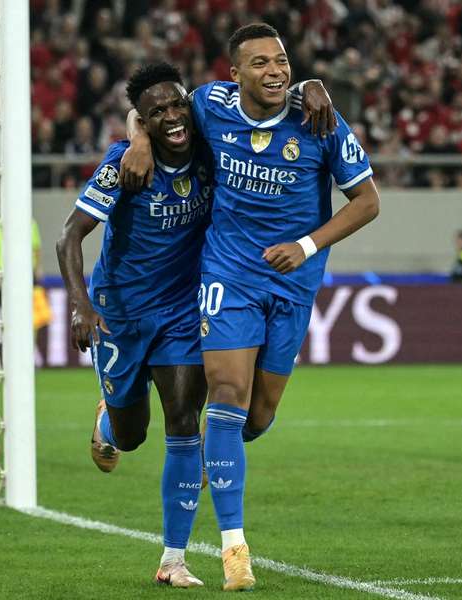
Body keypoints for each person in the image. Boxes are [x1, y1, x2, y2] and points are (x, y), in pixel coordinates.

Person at [122, 23, 380, 591]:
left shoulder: (319, 121)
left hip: (292, 284)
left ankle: (206, 458)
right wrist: (138, 139)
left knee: (255, 419)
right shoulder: (210, 103)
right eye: (260, 62)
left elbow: (368, 201)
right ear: (233, 74)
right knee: (226, 397)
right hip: (229, 274)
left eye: (283, 61)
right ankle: (234, 548)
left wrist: (308, 245)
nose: (275, 71)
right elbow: (155, 110)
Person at [55, 63, 213, 588]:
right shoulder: (124, 164)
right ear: (143, 122)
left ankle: (173, 560)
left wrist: (307, 86)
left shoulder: (211, 149)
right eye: (156, 113)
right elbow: (68, 238)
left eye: (177, 106)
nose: (172, 117)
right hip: (119, 314)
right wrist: (80, 306)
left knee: (185, 423)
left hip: (182, 311)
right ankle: (107, 419)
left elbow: (261, 106)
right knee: (132, 435)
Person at [0, 218, 43, 288]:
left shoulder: (31, 225)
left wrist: (37, 268)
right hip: (1, 274)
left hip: (26, 273)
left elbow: (36, 248)